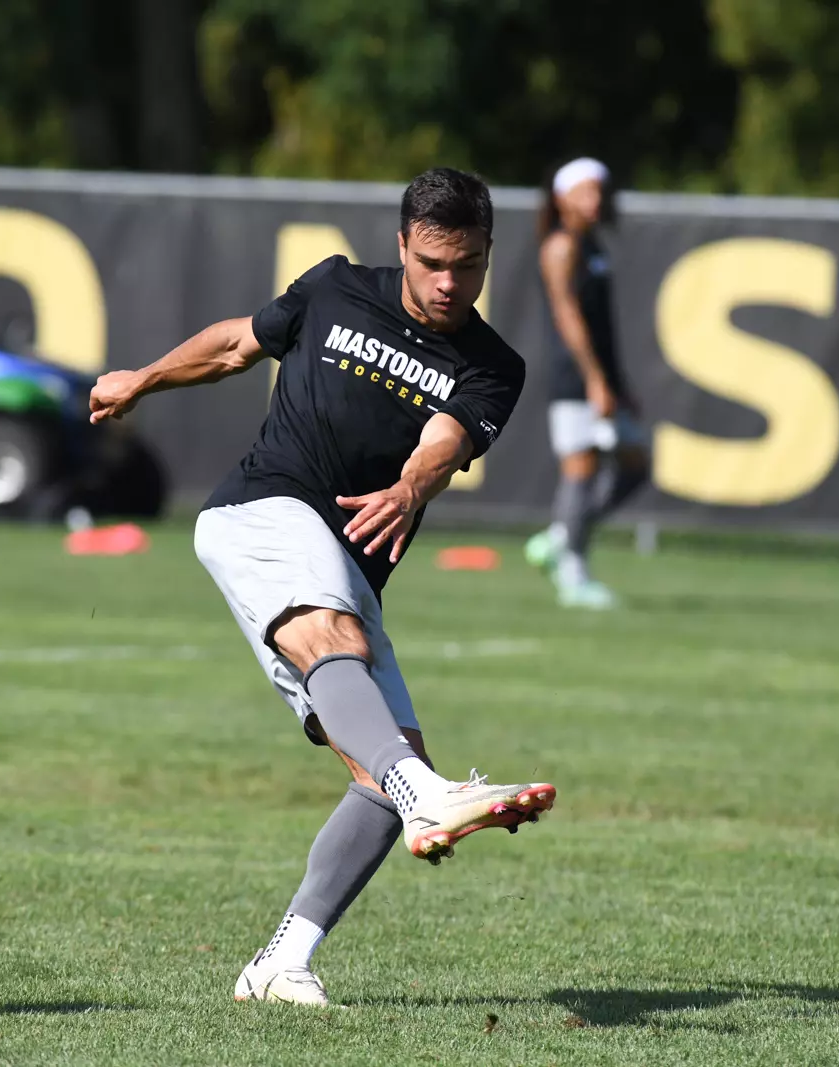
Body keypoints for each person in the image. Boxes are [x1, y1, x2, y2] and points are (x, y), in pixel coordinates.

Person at [88, 168, 556, 1007]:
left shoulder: (494, 366)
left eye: (472, 265)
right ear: (403, 245)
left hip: (346, 569)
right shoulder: (335, 287)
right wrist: (142, 379)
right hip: (261, 509)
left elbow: (443, 440)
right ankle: (430, 797)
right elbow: (237, 343)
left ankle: (280, 962)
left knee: (382, 773)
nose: (452, 283)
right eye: (436, 262)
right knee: (368, 702)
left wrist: (413, 488)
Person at [524, 157, 649, 609]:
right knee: (580, 474)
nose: (596, 199)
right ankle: (573, 574)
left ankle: (560, 537)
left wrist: (619, 383)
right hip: (574, 380)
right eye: (586, 191)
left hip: (603, 380)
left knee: (636, 467)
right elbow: (569, 318)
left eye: (600, 190)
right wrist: (595, 380)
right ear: (562, 197)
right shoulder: (561, 246)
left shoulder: (594, 244)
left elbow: (602, 326)